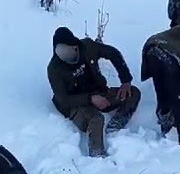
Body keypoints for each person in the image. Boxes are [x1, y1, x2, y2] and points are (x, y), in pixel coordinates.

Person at [47, 26, 140, 157]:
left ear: (75, 46)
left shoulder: (88, 47)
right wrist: (90, 98)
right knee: (96, 119)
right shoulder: (54, 69)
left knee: (132, 93)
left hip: (100, 92)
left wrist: (126, 80)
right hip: (76, 105)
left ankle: (115, 127)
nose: (67, 57)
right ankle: (97, 155)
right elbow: (64, 100)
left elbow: (113, 53)